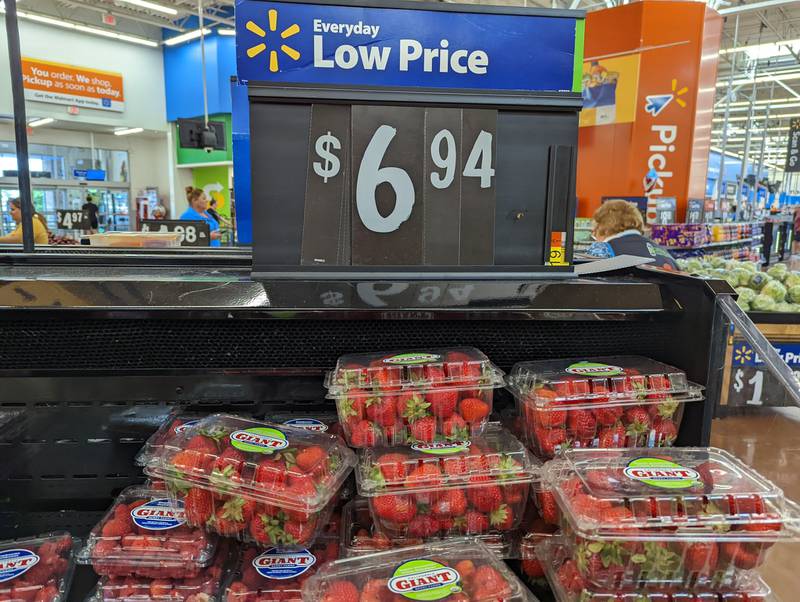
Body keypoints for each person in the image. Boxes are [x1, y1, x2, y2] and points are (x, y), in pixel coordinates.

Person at [585, 199, 679, 270]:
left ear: (602, 227)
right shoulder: (665, 254)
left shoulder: (602, 249)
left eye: (594, 231)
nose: (595, 236)